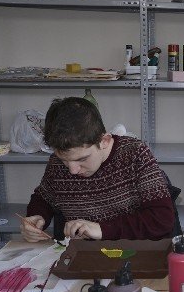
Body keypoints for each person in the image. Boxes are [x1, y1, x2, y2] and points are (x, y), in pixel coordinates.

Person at [21, 97, 175, 242]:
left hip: (132, 251)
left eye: (82, 159)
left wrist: (102, 229)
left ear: (104, 141)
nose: (73, 170)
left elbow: (162, 219)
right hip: (83, 254)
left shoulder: (135, 154)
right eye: (64, 160)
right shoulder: (56, 163)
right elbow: (44, 197)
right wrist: (37, 217)